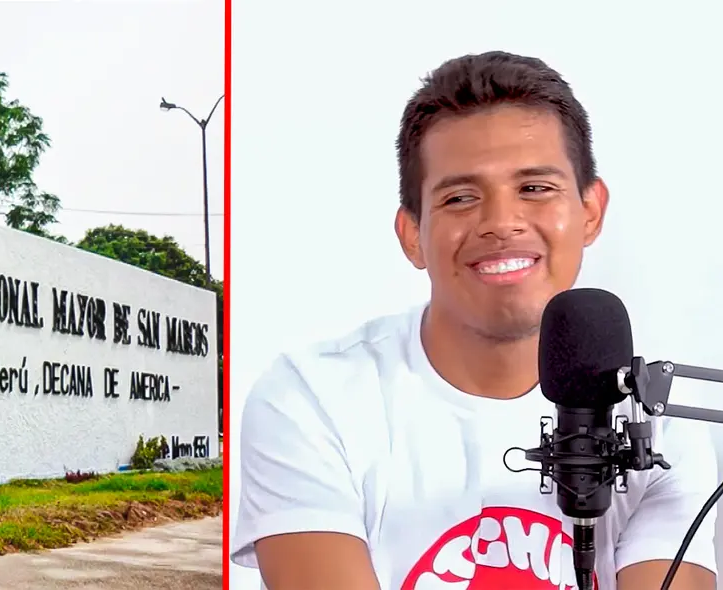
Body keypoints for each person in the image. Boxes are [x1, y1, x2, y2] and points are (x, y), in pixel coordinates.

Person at [230, 51, 718, 590]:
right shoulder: (311, 399)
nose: (501, 223)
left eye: (535, 188)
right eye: (460, 197)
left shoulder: (657, 416)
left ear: (590, 211)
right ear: (412, 233)